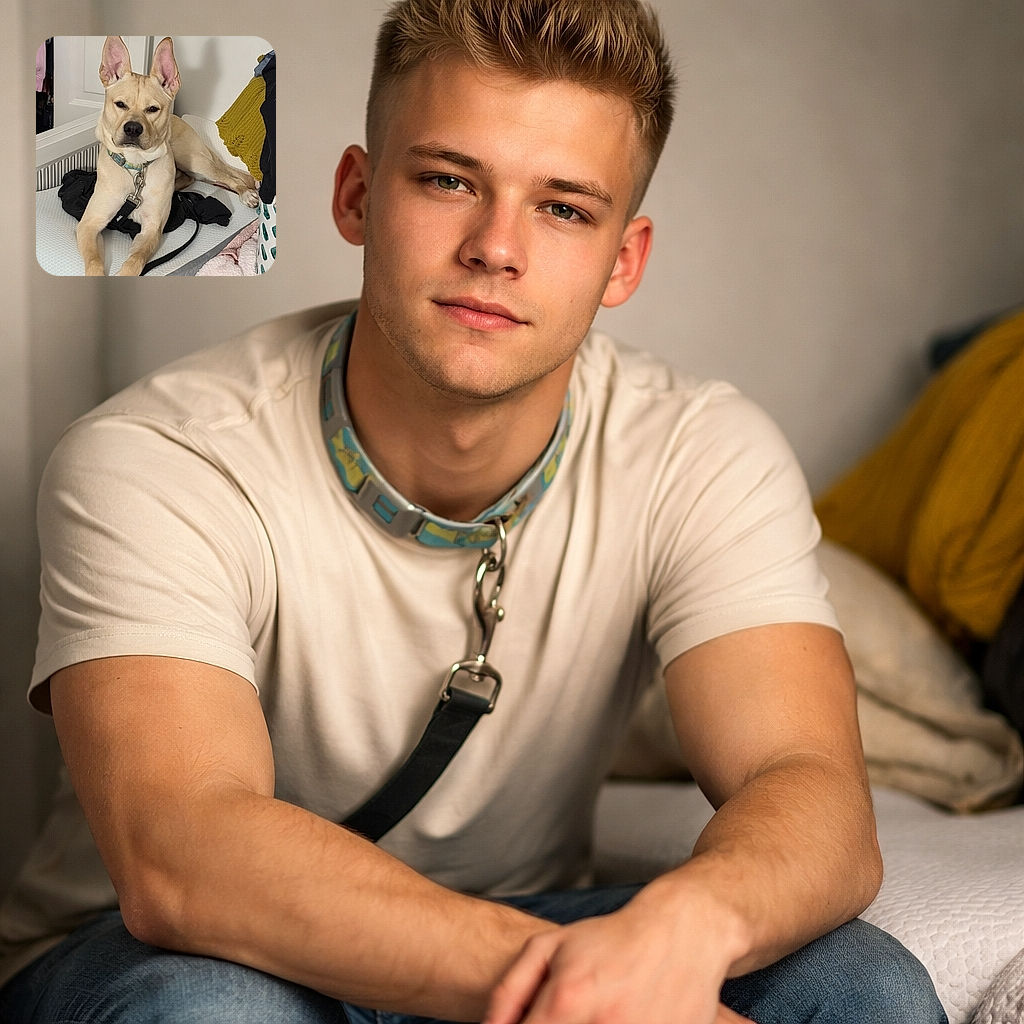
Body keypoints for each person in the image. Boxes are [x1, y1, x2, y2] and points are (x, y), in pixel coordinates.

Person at [0, 2, 946, 1022]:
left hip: (512, 919)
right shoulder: (156, 454)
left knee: (860, 981)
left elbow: (806, 785)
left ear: (622, 261)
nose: (497, 247)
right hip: (185, 952)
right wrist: (588, 990)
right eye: (449, 180)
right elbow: (184, 854)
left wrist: (684, 933)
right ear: (358, 195)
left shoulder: (698, 449)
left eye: (564, 208)